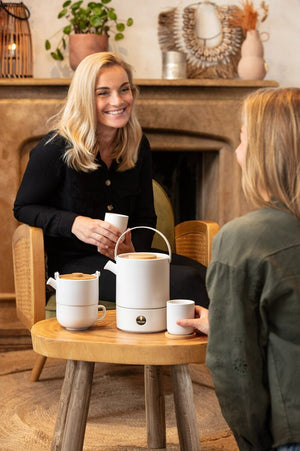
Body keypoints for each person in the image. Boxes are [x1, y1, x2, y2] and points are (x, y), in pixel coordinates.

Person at [13, 51, 209, 306]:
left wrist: (132, 251)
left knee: (211, 275)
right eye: (103, 92)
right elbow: (23, 208)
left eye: (124, 90)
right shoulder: (54, 148)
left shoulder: (137, 145)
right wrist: (74, 223)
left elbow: (146, 216)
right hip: (77, 269)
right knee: (186, 281)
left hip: (128, 258)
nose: (118, 100)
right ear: (85, 98)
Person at [178, 87, 300, 450]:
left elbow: (235, 369)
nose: (237, 152)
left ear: (267, 153)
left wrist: (254, 444)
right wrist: (225, 323)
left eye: (244, 139)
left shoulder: (242, 239)